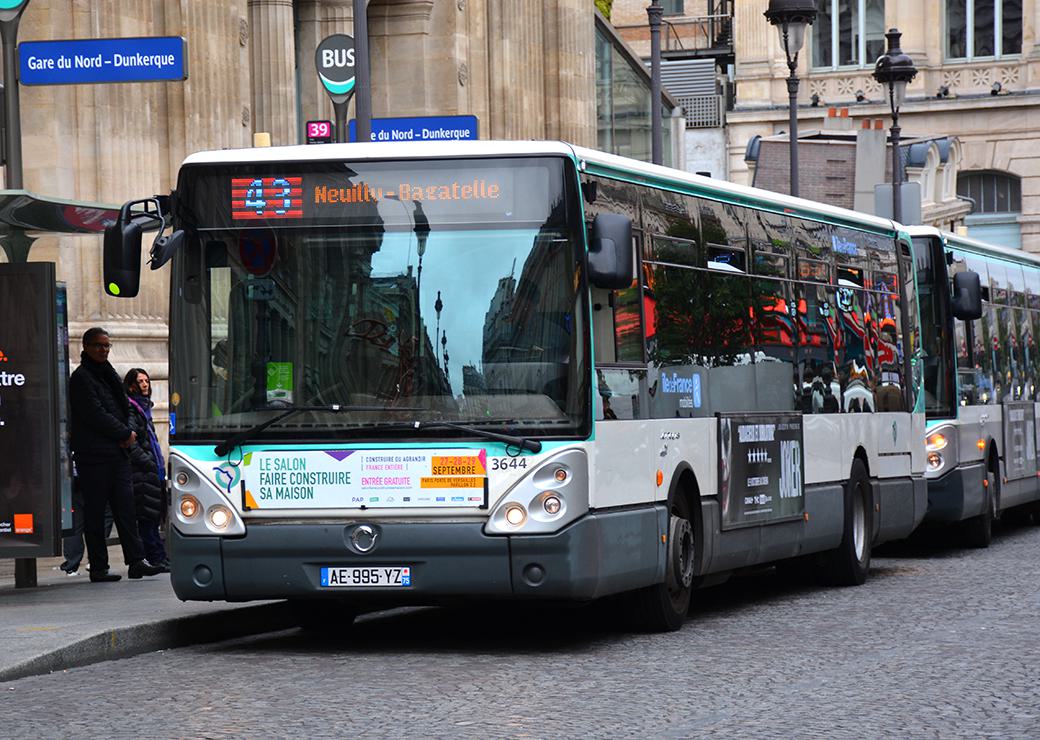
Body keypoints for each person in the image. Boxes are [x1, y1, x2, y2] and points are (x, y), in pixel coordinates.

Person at [68, 328, 163, 583]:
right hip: (95, 456)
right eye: (99, 345)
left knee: (126, 509)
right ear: (86, 347)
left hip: (117, 453)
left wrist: (126, 432)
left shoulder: (107, 374)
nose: (104, 350)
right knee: (96, 513)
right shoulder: (81, 378)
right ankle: (99, 566)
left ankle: (136, 561)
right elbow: (95, 414)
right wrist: (125, 433)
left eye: (107, 346)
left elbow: (121, 408)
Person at [125, 368, 169, 570]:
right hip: (141, 472)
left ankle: (159, 556)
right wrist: (148, 462)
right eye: (140, 381)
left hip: (150, 471)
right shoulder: (132, 408)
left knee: (152, 517)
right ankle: (155, 558)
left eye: (147, 380)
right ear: (131, 385)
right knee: (146, 519)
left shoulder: (144, 408)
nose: (145, 384)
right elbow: (131, 441)